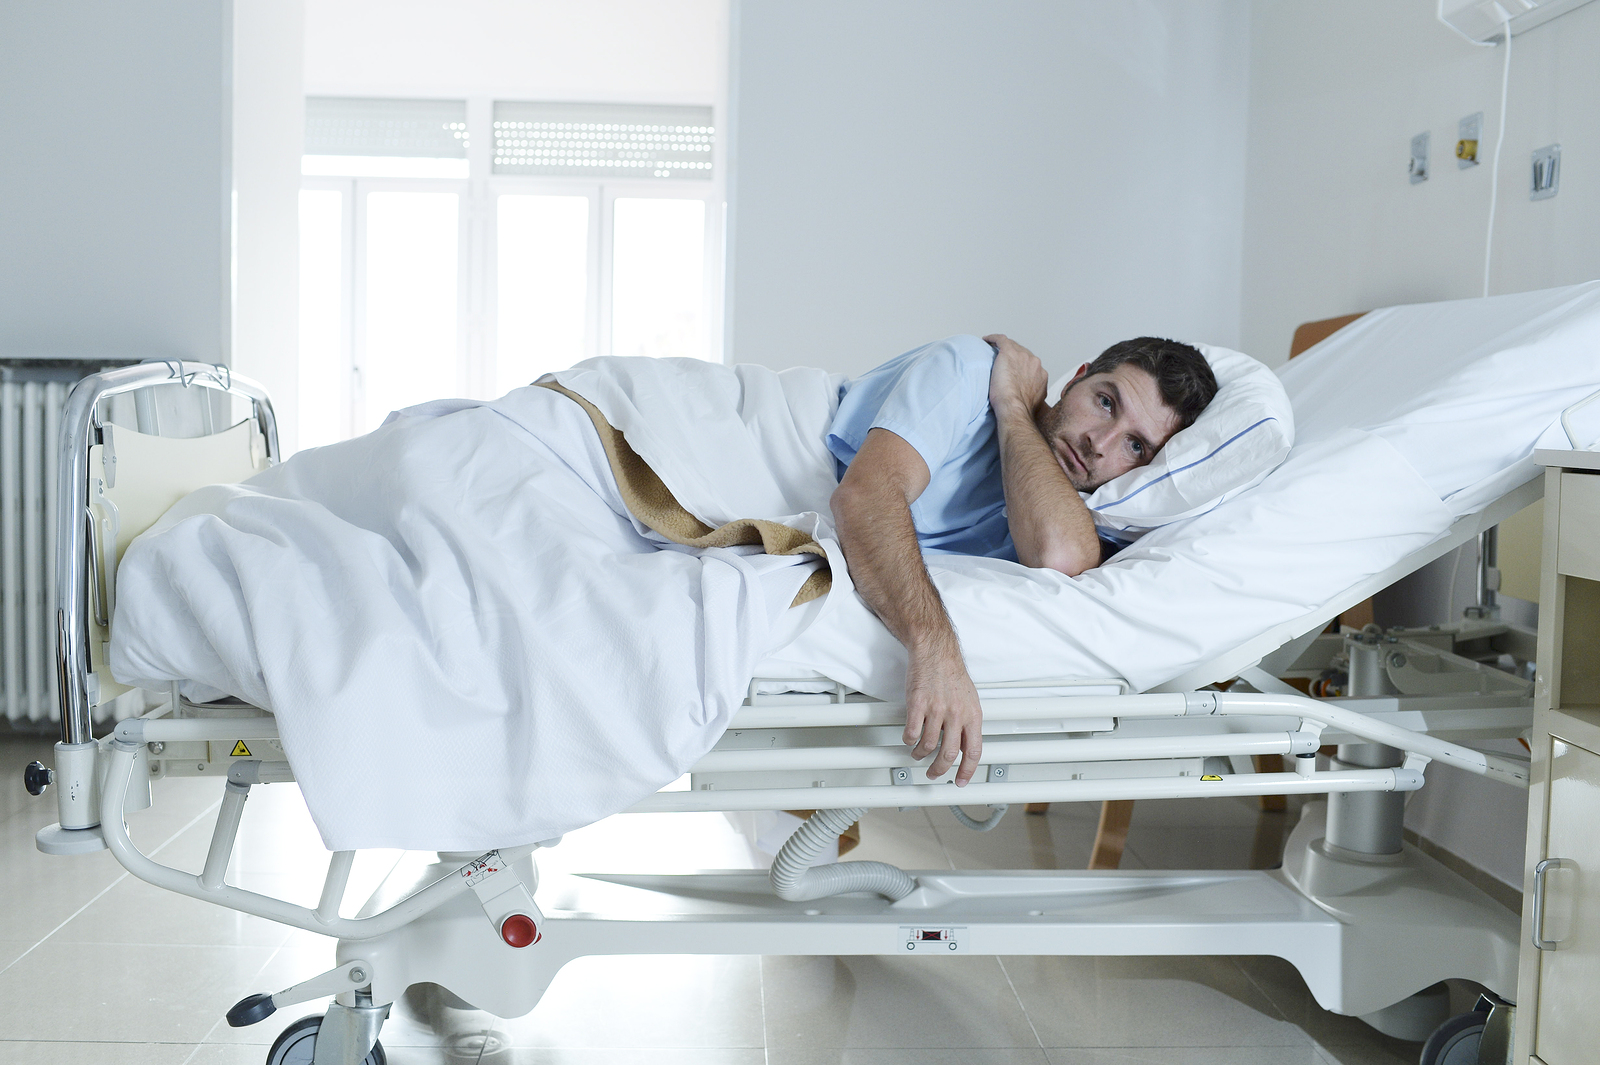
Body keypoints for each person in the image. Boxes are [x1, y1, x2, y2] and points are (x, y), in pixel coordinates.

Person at [826, 333, 1219, 787]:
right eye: (1106, 402)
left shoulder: (1078, 515)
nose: (1099, 442)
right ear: (1077, 379)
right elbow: (863, 498)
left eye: (1135, 447)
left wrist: (1014, 407)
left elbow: (1060, 557)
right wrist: (935, 647)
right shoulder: (975, 371)